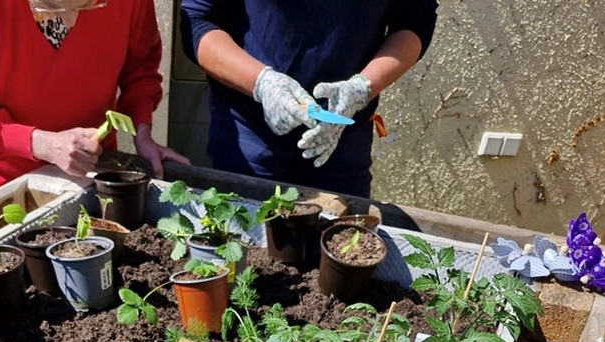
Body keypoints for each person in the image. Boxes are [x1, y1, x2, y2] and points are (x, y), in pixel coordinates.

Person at [179, 1, 439, 198]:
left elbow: (415, 23)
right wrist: (262, 84)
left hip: (342, 147)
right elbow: (198, 21)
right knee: (240, 255)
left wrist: (362, 88)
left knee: (339, 257)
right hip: (249, 146)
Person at [0, 0, 188, 197]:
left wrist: (141, 133)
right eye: (51, 6)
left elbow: (140, 70)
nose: (70, 18)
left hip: (93, 166)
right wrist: (46, 144)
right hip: (3, 178)